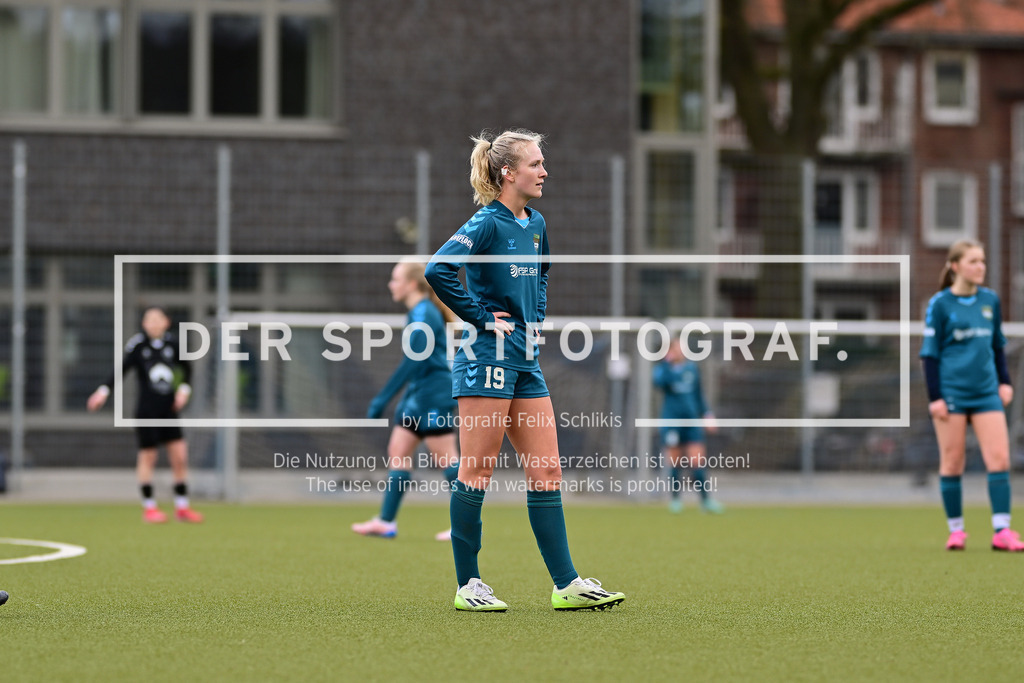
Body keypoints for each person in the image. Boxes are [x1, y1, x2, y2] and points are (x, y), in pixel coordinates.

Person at [425, 128, 625, 612]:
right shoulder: (487, 222)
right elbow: (438, 269)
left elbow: (543, 274)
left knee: (547, 470)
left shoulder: (535, 223)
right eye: (535, 164)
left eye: (542, 162)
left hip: (525, 361)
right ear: (508, 173)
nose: (544, 171)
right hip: (485, 358)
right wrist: (479, 317)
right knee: (477, 469)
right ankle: (468, 585)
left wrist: (534, 322)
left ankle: (566, 584)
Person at [921, 240, 1022, 551]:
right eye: (973, 261)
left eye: (983, 261)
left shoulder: (990, 300)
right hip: (951, 394)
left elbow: (997, 346)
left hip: (986, 393)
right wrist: (935, 397)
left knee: (1000, 459)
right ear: (955, 266)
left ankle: (1002, 531)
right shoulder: (939, 304)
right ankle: (956, 530)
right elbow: (929, 355)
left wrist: (1004, 382)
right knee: (952, 462)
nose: (981, 267)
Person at [351, 260, 461, 541]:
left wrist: (383, 398)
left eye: (395, 279)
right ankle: (386, 521)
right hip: (419, 393)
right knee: (398, 450)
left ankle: (465, 523)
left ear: (412, 284)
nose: (391, 284)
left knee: (446, 458)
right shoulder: (418, 311)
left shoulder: (424, 313)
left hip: (434, 394)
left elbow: (414, 360)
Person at [87, 306, 203, 524]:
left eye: (157, 319)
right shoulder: (138, 346)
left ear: (166, 322)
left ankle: (182, 507)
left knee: (180, 457)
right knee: (148, 457)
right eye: (149, 319)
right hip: (147, 411)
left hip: (169, 411)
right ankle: (149, 508)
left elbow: (187, 370)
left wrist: (183, 391)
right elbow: (121, 370)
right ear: (144, 324)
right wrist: (103, 391)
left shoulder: (174, 345)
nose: (153, 323)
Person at [653, 340, 724, 514]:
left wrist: (707, 414)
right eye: (676, 349)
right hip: (672, 422)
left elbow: (699, 395)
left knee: (698, 462)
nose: (680, 351)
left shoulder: (692, 369)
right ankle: (676, 500)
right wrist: (666, 363)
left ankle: (705, 500)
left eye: (682, 348)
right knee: (675, 462)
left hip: (692, 422)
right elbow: (657, 382)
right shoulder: (664, 370)